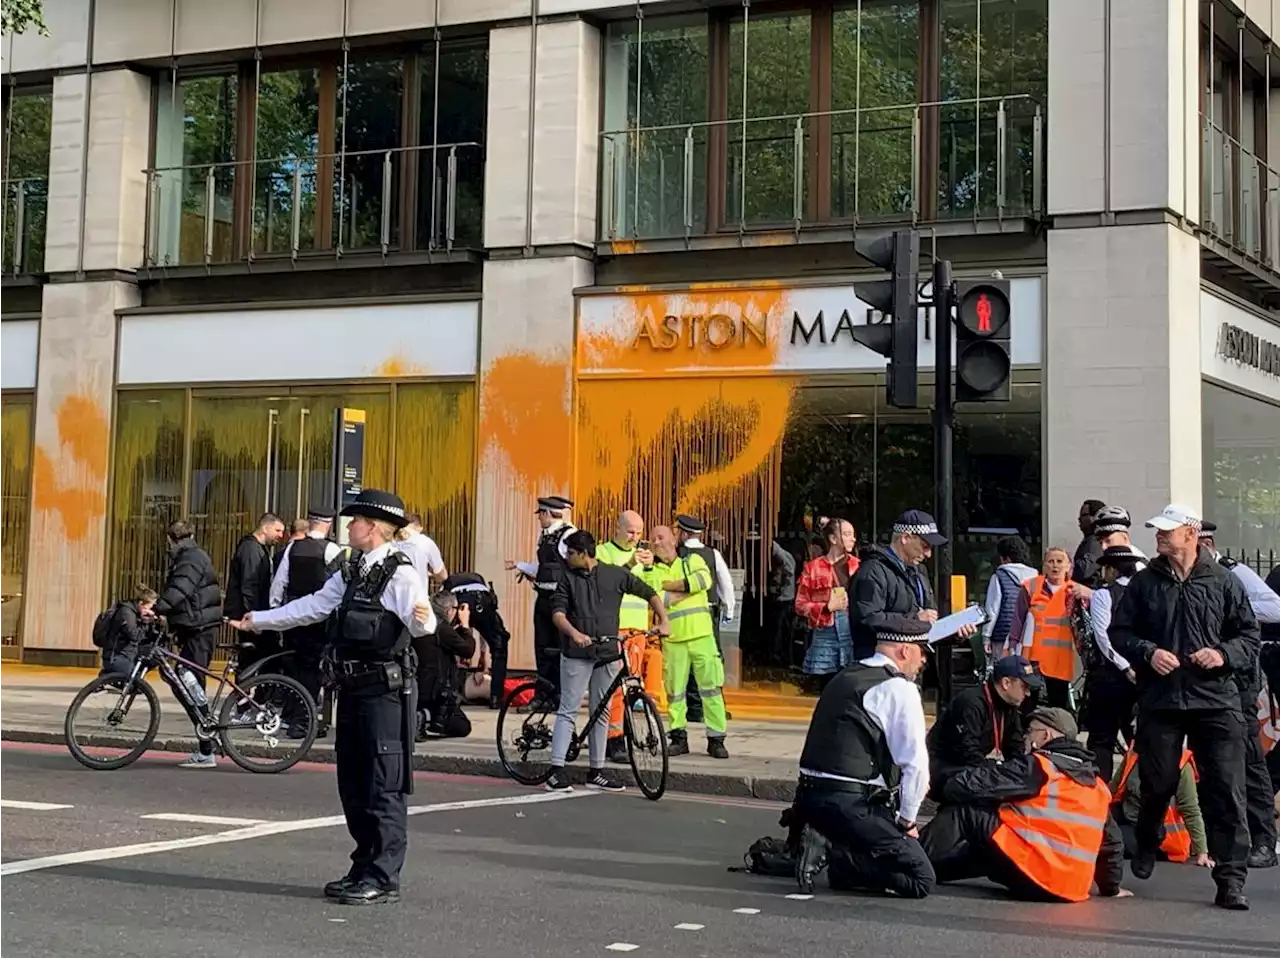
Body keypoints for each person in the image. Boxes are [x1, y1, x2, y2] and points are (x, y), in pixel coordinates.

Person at [229, 489, 435, 906]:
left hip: (385, 694)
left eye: (354, 521)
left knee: (382, 784)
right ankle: (362, 867)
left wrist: (424, 619)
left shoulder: (401, 573)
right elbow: (313, 606)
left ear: (372, 528)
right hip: (352, 690)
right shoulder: (353, 569)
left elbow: (423, 624)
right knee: (353, 784)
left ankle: (383, 876)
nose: (348, 528)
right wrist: (261, 621)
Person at [1109, 503, 1260, 910]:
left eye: (1167, 531)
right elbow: (1119, 632)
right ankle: (1147, 837)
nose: (1159, 537)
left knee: (1227, 788)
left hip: (1216, 700)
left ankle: (1230, 878)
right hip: (1162, 698)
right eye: (1157, 531)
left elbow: (1249, 636)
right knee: (1156, 782)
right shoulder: (1144, 583)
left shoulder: (1224, 581)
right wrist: (1147, 652)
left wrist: (1223, 655)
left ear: (1191, 534)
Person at [793, 618, 936, 899]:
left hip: (808, 799)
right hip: (851, 803)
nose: (923, 663)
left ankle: (833, 846)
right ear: (905, 652)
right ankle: (837, 855)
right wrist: (907, 821)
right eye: (922, 653)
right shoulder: (899, 688)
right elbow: (916, 766)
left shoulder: (846, 675)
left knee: (873, 851)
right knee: (921, 878)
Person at [920, 707, 1126, 902]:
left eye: (1030, 731)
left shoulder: (1039, 767)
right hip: (1070, 889)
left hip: (1034, 872)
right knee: (989, 850)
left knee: (966, 812)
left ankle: (906, 859)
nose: (1025, 737)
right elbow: (1112, 842)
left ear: (1046, 736)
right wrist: (1111, 888)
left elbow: (975, 785)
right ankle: (925, 871)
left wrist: (943, 784)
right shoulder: (1097, 786)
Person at [546, 530, 671, 792]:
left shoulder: (614, 574)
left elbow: (649, 592)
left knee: (601, 711)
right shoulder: (567, 578)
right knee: (568, 709)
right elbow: (557, 613)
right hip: (577, 653)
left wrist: (664, 620)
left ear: (583, 554)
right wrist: (574, 633)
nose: (567, 558)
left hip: (606, 653)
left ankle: (597, 771)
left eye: (571, 553)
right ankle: (555, 772)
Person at [1200, 520, 1280, 869]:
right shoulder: (1179, 578)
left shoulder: (1233, 573)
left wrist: (1239, 609)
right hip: (1201, 679)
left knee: (1249, 758)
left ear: (1205, 542)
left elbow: (1275, 608)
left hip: (1238, 678)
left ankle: (1263, 839)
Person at [637, 525, 729, 759]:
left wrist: (670, 588)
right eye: (653, 539)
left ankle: (716, 739)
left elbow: (702, 581)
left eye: (661, 537)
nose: (656, 542)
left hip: (702, 637)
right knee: (675, 692)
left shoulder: (693, 560)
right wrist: (684, 588)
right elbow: (655, 595)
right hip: (674, 639)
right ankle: (678, 737)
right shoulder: (652, 570)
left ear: (674, 538)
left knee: (711, 689)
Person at [597, 510, 664, 765]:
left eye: (638, 533)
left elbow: (654, 589)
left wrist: (649, 568)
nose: (635, 538)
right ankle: (612, 739)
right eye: (630, 532)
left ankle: (621, 734)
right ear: (617, 528)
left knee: (630, 686)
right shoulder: (603, 552)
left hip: (637, 630)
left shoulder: (645, 557)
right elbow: (607, 582)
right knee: (613, 687)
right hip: (613, 628)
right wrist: (630, 565)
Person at [154, 520, 223, 769]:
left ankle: (207, 744)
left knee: (188, 681)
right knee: (186, 682)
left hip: (200, 628)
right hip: (195, 627)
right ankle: (206, 740)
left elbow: (180, 588)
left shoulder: (191, 558)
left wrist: (158, 608)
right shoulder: (190, 554)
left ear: (170, 539)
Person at [270, 507, 345, 734]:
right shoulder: (332, 549)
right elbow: (340, 584)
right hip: (319, 618)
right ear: (328, 524)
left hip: (293, 616)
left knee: (294, 666)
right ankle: (305, 721)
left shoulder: (293, 548)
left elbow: (279, 583)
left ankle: (292, 716)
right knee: (314, 669)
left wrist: (275, 611)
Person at [927, 654, 1043, 798]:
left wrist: (1020, 771)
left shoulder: (1009, 705)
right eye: (1024, 686)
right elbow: (967, 752)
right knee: (988, 787)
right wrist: (997, 771)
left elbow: (1015, 747)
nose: (1028, 693)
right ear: (1006, 683)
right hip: (945, 770)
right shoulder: (971, 702)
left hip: (972, 768)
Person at [1081, 544, 1143, 782]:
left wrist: (1123, 666)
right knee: (1137, 738)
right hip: (1140, 672)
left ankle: (1102, 791)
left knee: (1101, 739)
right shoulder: (1145, 593)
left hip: (1109, 675)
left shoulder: (1103, 595)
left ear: (1112, 570)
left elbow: (1103, 636)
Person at [506, 495, 576, 704]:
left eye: (540, 515)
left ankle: (559, 696)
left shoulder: (568, 535)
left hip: (560, 601)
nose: (539, 519)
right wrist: (521, 566)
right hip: (543, 599)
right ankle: (543, 696)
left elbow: (570, 568)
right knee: (542, 648)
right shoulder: (545, 536)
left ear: (547, 514)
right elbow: (546, 569)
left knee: (559, 649)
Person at [848, 509, 943, 660]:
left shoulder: (919, 571)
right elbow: (868, 619)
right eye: (925, 546)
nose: (928, 554)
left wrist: (954, 633)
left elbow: (928, 618)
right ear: (905, 538)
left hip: (912, 664)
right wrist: (915, 620)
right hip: (881, 665)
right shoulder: (872, 571)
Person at [675, 515, 735, 724]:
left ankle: (694, 707)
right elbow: (725, 583)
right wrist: (729, 608)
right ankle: (712, 705)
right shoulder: (712, 554)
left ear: (683, 533)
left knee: (687, 659)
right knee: (711, 659)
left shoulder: (677, 554)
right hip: (708, 613)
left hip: (681, 615)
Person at [1110, 743, 1210, 867]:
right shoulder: (1135, 753)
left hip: (1162, 837)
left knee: (1110, 841)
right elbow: (1113, 788)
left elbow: (1191, 809)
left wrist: (1202, 852)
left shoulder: (1181, 765)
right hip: (1129, 819)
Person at [1007, 547, 1081, 709]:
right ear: (1044, 566)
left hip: (1059, 660)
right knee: (1027, 704)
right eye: (1051, 561)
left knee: (1058, 707)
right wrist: (1012, 646)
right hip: (1032, 658)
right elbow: (1018, 619)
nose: (1055, 566)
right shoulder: (1031, 587)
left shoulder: (1075, 592)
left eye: (1060, 561)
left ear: (1069, 566)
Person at [795, 518, 860, 693]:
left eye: (853, 535)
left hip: (852, 630)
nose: (852, 539)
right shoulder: (813, 568)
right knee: (827, 685)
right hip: (826, 630)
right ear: (833, 539)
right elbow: (799, 605)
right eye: (846, 534)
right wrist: (824, 607)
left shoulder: (858, 566)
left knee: (851, 684)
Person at [413, 590, 477, 739]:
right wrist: (465, 625)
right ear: (449, 611)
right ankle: (426, 717)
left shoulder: (420, 623)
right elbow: (467, 650)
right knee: (462, 726)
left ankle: (419, 717)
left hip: (416, 690)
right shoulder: (441, 628)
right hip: (436, 694)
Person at [443, 572, 511, 709]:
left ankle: (449, 692)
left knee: (446, 641)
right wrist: (482, 654)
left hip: (457, 602)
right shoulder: (480, 581)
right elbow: (484, 628)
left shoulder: (447, 584)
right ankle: (496, 697)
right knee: (499, 645)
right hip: (482, 603)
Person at [980, 535, 1038, 664]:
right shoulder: (1036, 578)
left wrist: (986, 637)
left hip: (1003, 634)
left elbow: (993, 609)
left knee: (1003, 674)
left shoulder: (999, 577)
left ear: (1005, 558)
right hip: (1028, 635)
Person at [98, 586, 159, 678]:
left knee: (156, 656)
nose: (152, 609)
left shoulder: (135, 612)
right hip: (116, 657)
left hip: (129, 654)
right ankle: (108, 674)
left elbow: (145, 637)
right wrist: (145, 621)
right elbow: (134, 635)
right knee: (133, 682)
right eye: (151, 606)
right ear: (141, 603)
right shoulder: (126, 612)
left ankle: (133, 677)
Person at [396, 512, 448, 587]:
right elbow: (442, 575)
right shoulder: (425, 542)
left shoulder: (389, 541)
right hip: (417, 595)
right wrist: (431, 576)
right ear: (420, 528)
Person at [1073, 498, 1107, 587]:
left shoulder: (1095, 541)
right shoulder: (1090, 540)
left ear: (1095, 517)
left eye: (1084, 515)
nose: (1079, 519)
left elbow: (1084, 571)